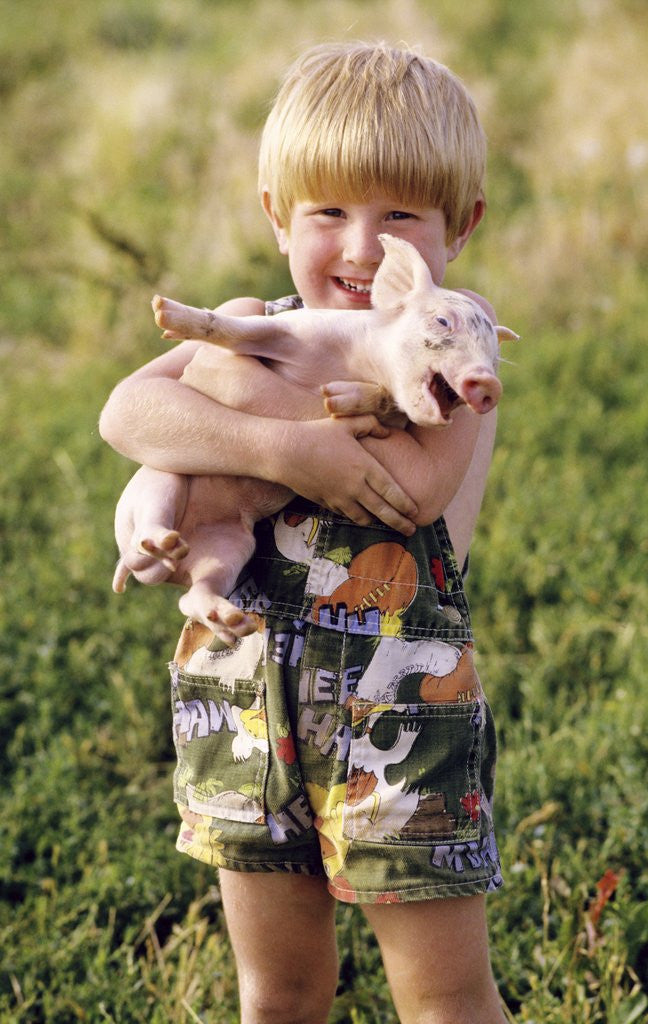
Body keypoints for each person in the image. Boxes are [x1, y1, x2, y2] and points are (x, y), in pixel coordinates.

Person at [100, 40, 507, 1024]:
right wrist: (290, 451)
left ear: (459, 228)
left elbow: (405, 492)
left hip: (397, 719)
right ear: (278, 215)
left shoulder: (453, 350)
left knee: (445, 996)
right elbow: (127, 415)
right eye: (329, 212)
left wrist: (248, 437)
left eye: (399, 215)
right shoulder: (247, 323)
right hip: (238, 714)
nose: (363, 249)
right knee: (276, 992)